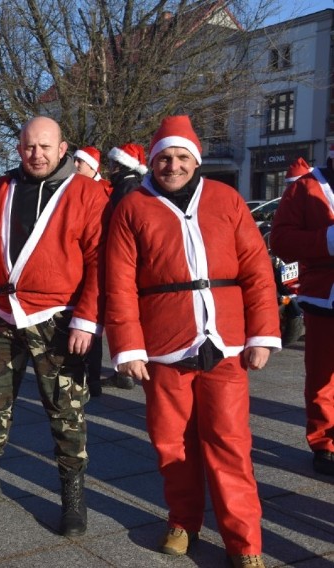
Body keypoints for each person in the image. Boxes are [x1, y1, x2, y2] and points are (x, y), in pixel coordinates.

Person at [105, 115, 280, 568]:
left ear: (195, 160)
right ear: (153, 160)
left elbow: (258, 272)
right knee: (171, 443)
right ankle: (183, 520)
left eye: (182, 157)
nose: (173, 165)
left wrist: (263, 334)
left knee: (230, 443)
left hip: (226, 344)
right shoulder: (132, 207)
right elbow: (119, 283)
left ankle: (245, 544)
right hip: (164, 347)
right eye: (165, 157)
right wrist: (128, 346)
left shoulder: (225, 199)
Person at [0, 116, 108, 537]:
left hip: (58, 318)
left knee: (66, 412)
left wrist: (87, 318)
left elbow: (101, 260)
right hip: (2, 312)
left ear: (63, 148)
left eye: (45, 147)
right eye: (28, 146)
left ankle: (72, 498)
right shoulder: (1, 187)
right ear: (18, 147)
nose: (36, 154)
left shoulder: (87, 192)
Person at [270, 148, 334, 477]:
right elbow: (281, 240)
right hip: (325, 299)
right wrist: (328, 241)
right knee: (323, 374)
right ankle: (324, 443)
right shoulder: (306, 187)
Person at [101, 142, 149, 391]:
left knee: (120, 314)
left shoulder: (124, 190)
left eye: (112, 163)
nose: (109, 167)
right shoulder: (136, 187)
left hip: (124, 261)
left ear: (120, 165)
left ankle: (125, 371)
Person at [73, 145, 111, 396]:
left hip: (97, 266)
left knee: (92, 328)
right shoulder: (75, 188)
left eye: (80, 162)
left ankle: (93, 379)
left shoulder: (101, 192)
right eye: (74, 161)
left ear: (92, 166)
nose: (75, 166)